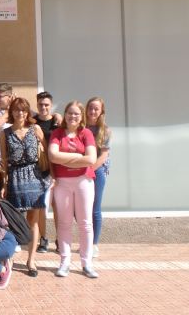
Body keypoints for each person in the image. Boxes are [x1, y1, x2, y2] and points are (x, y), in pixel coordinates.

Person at [48, 100, 98, 279]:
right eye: (70, 113)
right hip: (62, 183)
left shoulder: (86, 133)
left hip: (84, 181)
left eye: (76, 113)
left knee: (86, 223)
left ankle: (87, 263)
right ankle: (65, 262)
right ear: (65, 114)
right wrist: (78, 157)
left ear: (81, 116)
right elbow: (52, 156)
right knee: (64, 223)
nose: (73, 116)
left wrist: (65, 160)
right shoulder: (57, 133)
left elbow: (91, 159)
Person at [0, 97, 48, 277]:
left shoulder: (35, 129)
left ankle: (31, 260)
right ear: (11, 112)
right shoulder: (5, 133)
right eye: (17, 110)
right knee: (13, 222)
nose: (20, 113)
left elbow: (46, 150)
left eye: (23, 110)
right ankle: (10, 257)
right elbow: (4, 160)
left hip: (34, 177)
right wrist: (4, 183)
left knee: (32, 221)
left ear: (28, 112)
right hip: (15, 178)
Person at [34, 91, 61, 254]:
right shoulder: (32, 122)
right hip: (40, 168)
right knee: (42, 206)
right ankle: (43, 239)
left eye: (46, 105)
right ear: (37, 105)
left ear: (51, 105)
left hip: (57, 167)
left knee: (57, 206)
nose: (43, 107)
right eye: (41, 104)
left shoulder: (58, 122)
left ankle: (60, 239)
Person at [85, 96, 112, 259]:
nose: (93, 111)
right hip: (80, 171)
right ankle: (86, 239)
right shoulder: (81, 127)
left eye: (96, 109)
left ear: (101, 111)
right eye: (90, 108)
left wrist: (90, 170)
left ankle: (94, 244)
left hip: (97, 171)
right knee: (81, 209)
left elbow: (104, 155)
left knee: (95, 208)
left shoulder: (105, 130)